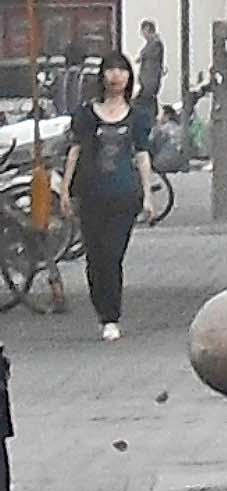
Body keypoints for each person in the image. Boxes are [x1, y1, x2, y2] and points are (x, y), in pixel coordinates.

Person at [56, 52, 156, 342]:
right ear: (102, 76)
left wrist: (148, 195)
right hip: (91, 194)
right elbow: (75, 151)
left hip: (125, 196)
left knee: (113, 255)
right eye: (110, 70)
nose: (115, 76)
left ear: (129, 77)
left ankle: (112, 315)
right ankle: (102, 309)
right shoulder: (86, 115)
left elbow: (141, 154)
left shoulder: (138, 117)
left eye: (122, 70)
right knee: (95, 258)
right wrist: (65, 189)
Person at [135, 22, 164, 109]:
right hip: (147, 80)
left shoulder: (155, 44)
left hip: (150, 81)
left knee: (146, 103)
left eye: (144, 32)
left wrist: (141, 56)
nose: (143, 34)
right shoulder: (150, 44)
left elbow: (145, 56)